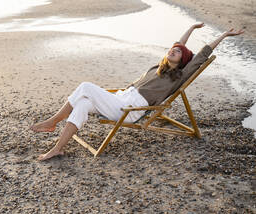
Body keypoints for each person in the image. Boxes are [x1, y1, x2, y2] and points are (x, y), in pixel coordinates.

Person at [30, 23, 244, 161]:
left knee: (86, 87)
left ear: (183, 62)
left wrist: (224, 35)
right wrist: (191, 28)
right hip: (120, 99)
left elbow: (201, 55)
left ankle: (53, 121)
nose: (173, 50)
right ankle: (57, 148)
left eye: (178, 52)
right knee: (83, 103)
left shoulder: (177, 77)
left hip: (130, 109)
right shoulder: (159, 67)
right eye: (173, 49)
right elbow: (179, 42)